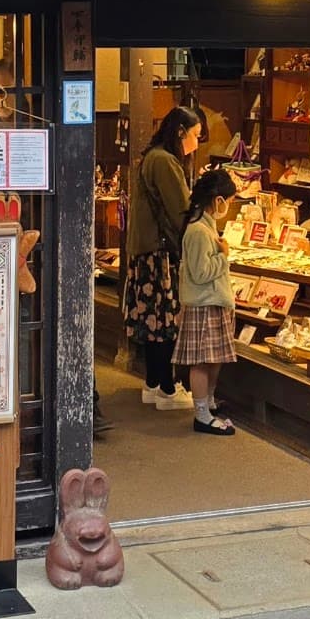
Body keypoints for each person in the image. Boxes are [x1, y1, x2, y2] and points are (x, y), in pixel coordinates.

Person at [123, 106, 202, 410]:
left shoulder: (153, 156)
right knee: (165, 320)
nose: (197, 143)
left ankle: (154, 383)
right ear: (180, 131)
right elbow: (181, 209)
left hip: (145, 250)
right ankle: (167, 389)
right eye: (195, 136)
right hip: (159, 252)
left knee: (152, 322)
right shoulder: (166, 161)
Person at [174, 167, 239, 436]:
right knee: (202, 360)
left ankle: (208, 403)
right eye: (230, 201)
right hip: (204, 301)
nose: (230, 207)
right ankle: (201, 413)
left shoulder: (205, 226)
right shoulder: (199, 231)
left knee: (214, 357)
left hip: (213, 300)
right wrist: (223, 255)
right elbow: (201, 273)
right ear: (218, 200)